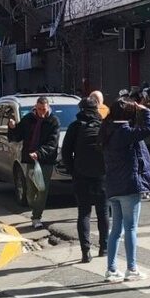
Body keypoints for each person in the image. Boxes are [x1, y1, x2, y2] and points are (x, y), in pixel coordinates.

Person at [100, 98, 150, 282]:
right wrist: (146, 111)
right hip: (128, 187)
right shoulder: (124, 132)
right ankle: (131, 269)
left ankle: (111, 269)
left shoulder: (107, 130)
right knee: (130, 227)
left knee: (116, 229)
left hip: (113, 187)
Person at [62, 98, 108, 263]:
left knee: (84, 213)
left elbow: (66, 152)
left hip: (81, 175)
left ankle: (85, 252)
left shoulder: (75, 127)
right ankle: (104, 248)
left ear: (81, 109)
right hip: (102, 176)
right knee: (103, 213)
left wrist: (72, 170)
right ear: (96, 109)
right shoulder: (103, 125)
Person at [6, 97, 60, 229]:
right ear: (36, 107)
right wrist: (12, 127)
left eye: (44, 109)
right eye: (39, 109)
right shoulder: (28, 119)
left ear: (48, 108)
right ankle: (34, 208)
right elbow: (17, 135)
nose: (42, 112)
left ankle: (36, 217)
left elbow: (52, 143)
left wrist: (39, 153)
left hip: (45, 160)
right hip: (30, 159)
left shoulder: (53, 121)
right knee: (30, 190)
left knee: (42, 189)